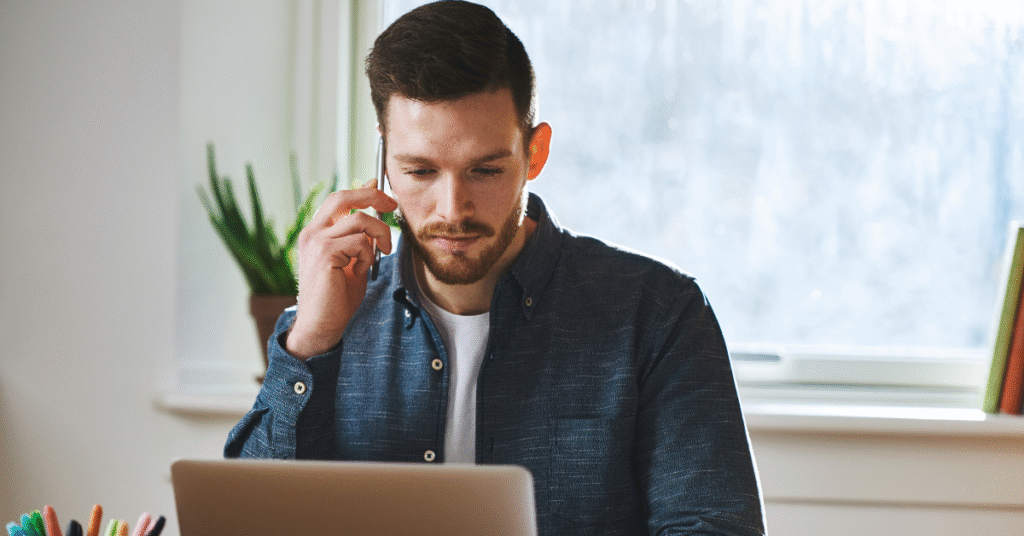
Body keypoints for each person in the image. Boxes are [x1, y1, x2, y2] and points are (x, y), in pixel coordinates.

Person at [225, 1, 765, 534]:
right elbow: (244, 523)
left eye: (484, 170)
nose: (452, 209)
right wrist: (310, 343)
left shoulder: (658, 315)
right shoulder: (323, 326)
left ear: (535, 153)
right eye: (420, 171)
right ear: (383, 163)